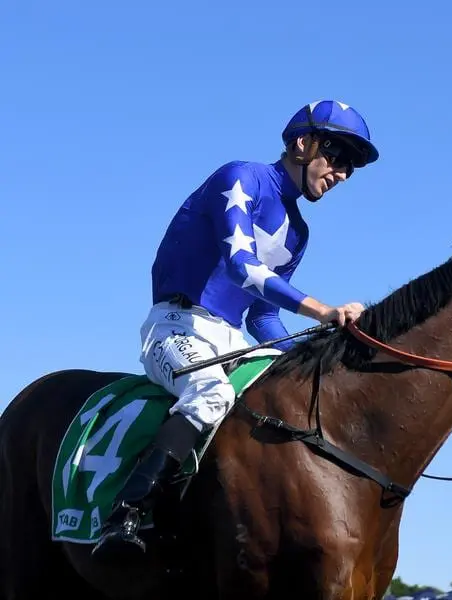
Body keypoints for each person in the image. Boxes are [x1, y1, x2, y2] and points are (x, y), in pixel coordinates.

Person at [92, 100, 379, 561]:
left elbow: (261, 317)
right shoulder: (241, 177)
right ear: (303, 144)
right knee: (209, 396)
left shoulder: (298, 233)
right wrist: (322, 310)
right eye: (339, 156)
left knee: (291, 404)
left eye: (352, 167)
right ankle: (125, 514)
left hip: (232, 339)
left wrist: (309, 356)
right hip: (175, 326)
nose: (343, 173)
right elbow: (240, 266)